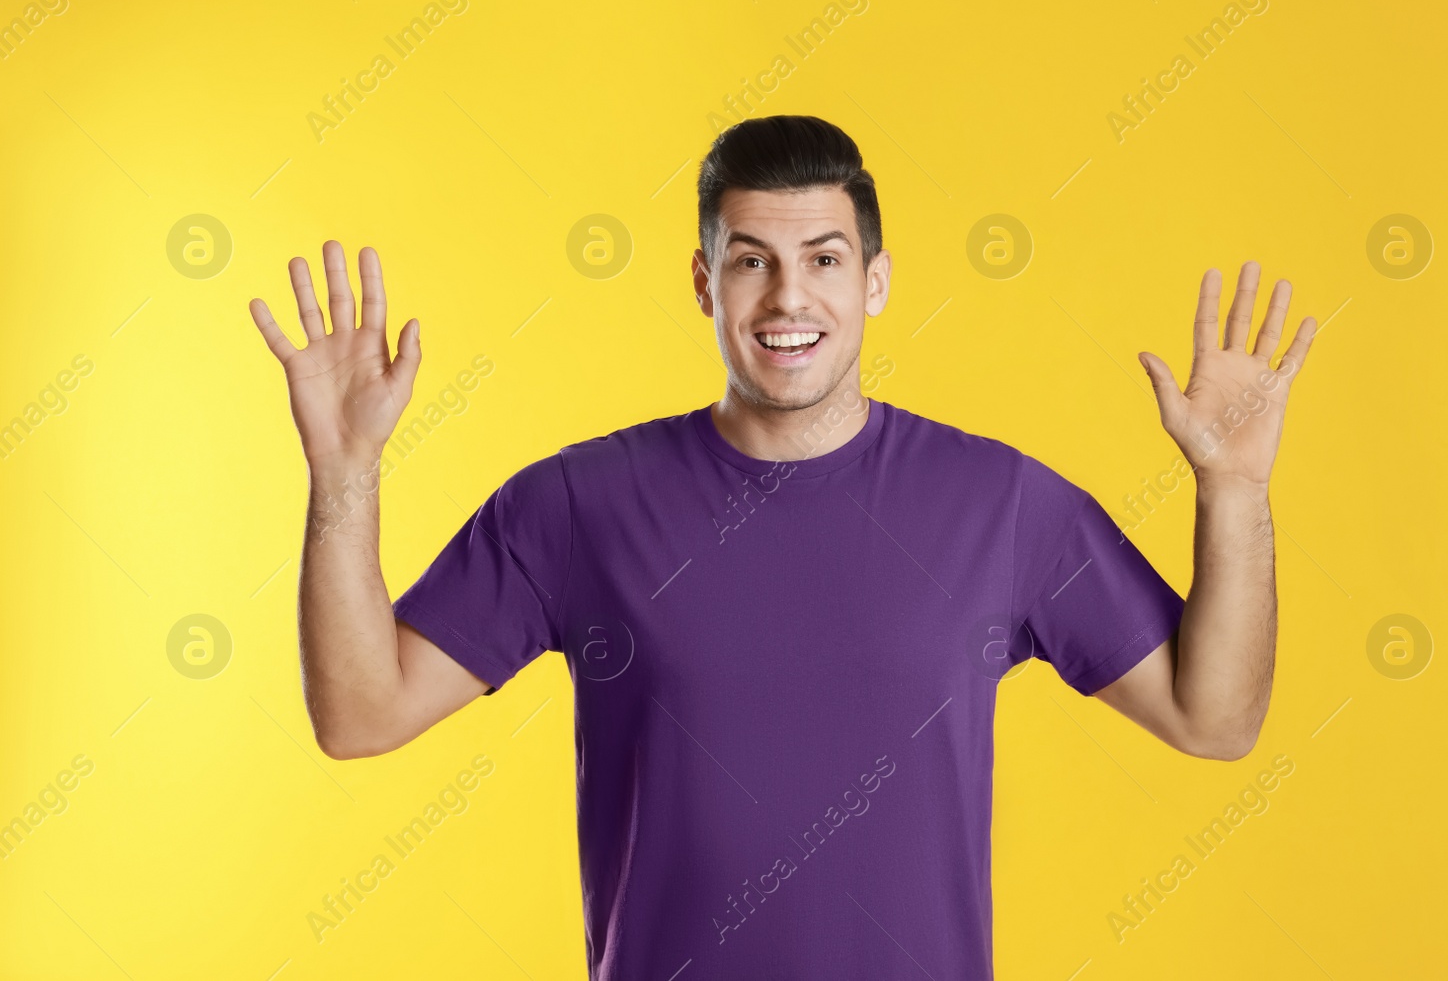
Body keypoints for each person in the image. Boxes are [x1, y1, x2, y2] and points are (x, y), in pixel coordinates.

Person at [248, 114, 1316, 980]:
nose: (788, 296)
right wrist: (344, 477)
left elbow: (1212, 716)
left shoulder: (1003, 504)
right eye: (750, 260)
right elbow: (360, 712)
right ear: (705, 284)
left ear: (876, 282)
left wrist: (1233, 492)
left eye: (823, 258)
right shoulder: (579, 504)